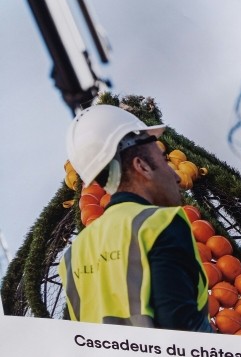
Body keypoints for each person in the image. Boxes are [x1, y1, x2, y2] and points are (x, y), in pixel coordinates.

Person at [57, 104, 212, 332]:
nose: (175, 176)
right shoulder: (159, 224)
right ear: (142, 166)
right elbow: (183, 336)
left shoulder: (74, 255)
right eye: (163, 160)